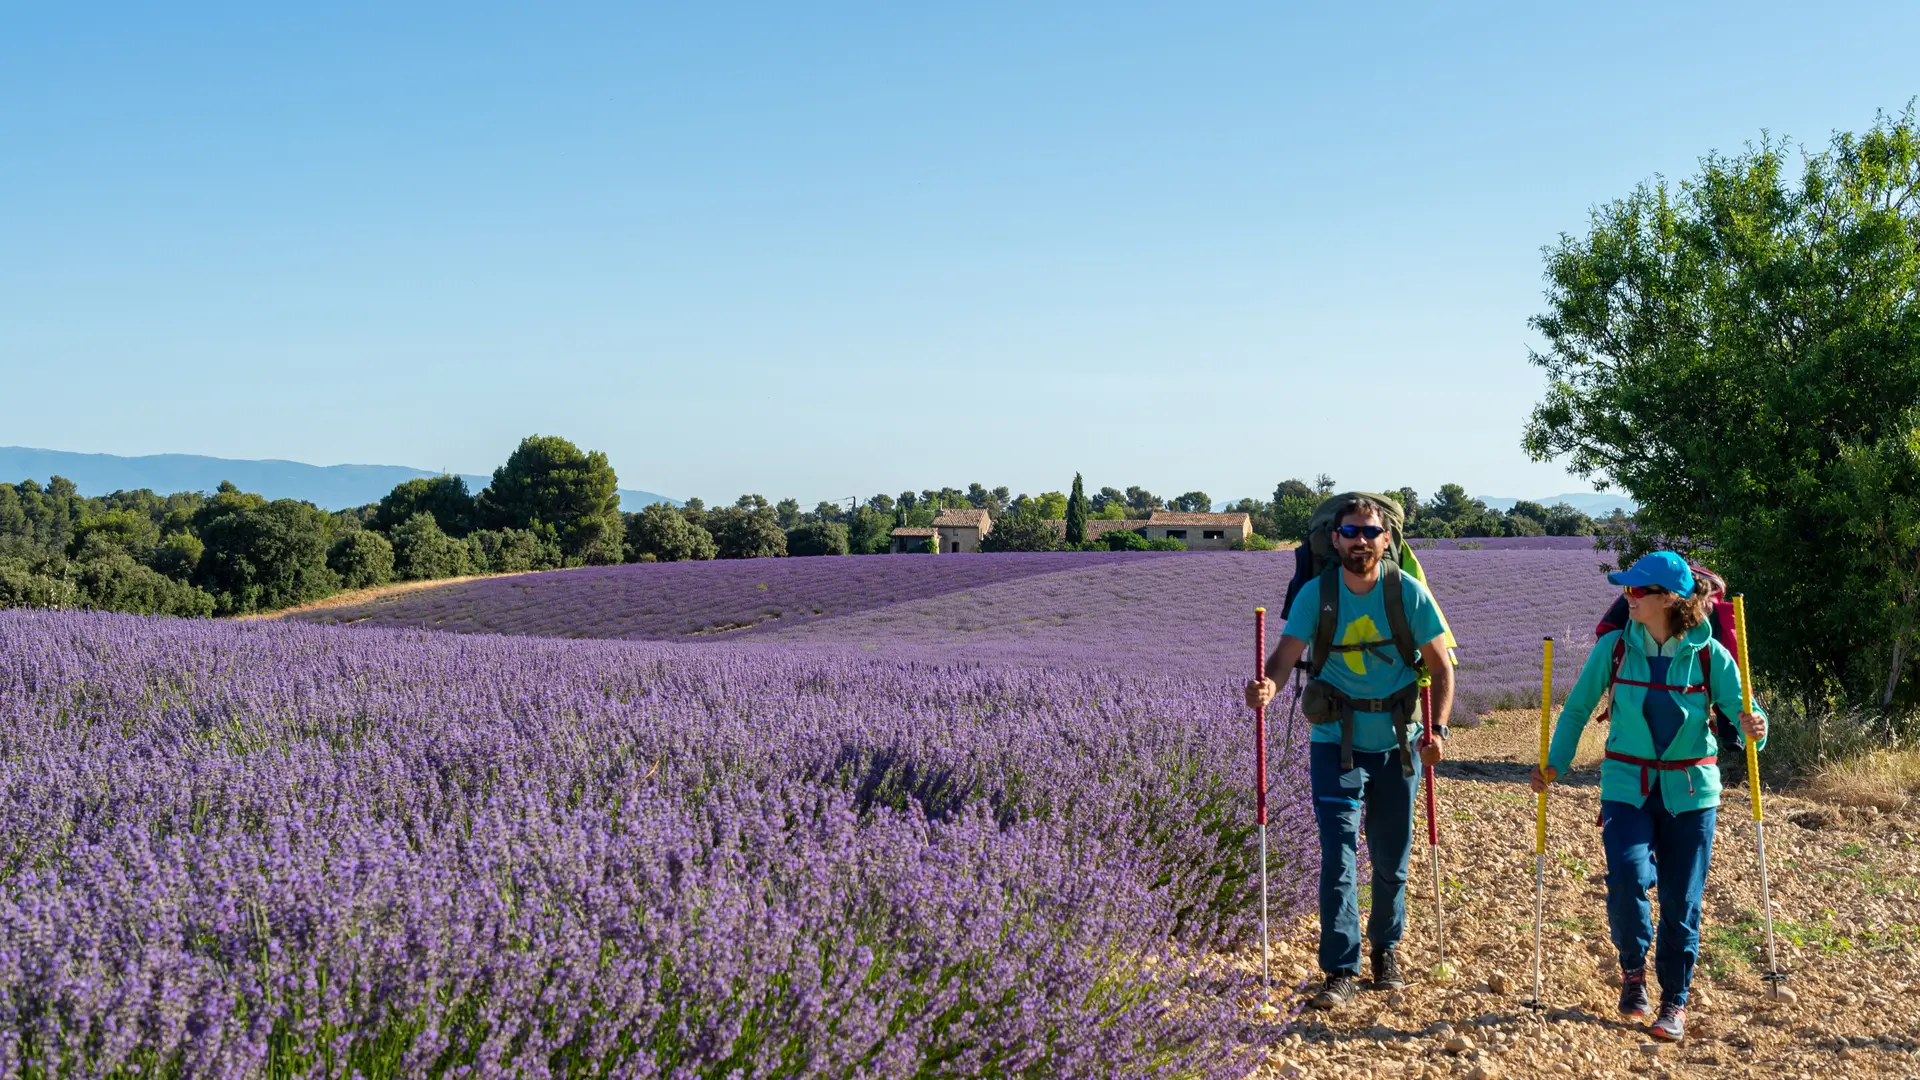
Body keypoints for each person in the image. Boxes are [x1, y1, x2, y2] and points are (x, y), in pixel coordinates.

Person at [1530, 551, 1767, 1042]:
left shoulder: (1710, 654)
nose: (1626, 598)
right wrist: (1555, 763)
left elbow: (1746, 719)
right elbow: (1576, 711)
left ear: (1669, 599)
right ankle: (1633, 974)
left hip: (1692, 790)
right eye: (1626, 590)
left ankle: (1674, 1002)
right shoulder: (1615, 648)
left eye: (1637, 591)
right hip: (1626, 785)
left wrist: (1756, 729)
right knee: (1627, 878)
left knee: (1682, 900)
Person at [1245, 496, 1453, 1010]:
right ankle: (1340, 967)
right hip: (1333, 742)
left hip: (1397, 744)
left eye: (1371, 532)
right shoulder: (1317, 594)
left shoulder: (1409, 593)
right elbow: (1284, 657)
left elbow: (1443, 669)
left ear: (1387, 541)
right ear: (1334, 539)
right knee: (1337, 856)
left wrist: (1438, 729)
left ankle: (1386, 951)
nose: (1361, 540)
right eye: (1351, 531)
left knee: (1390, 858)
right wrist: (1267, 688)